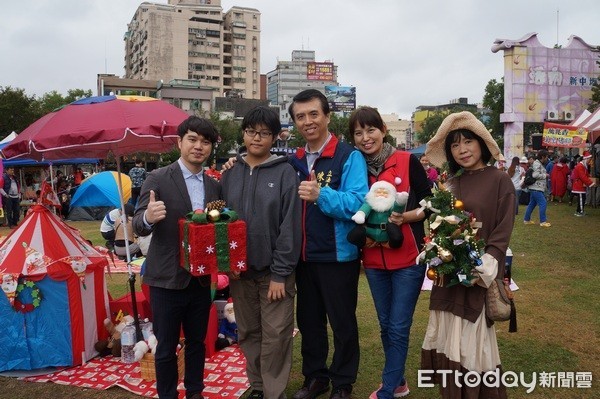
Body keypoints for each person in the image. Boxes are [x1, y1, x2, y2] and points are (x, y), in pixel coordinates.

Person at [422, 111, 515, 398]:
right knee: (448, 338)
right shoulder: (451, 182)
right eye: (454, 145)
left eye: (468, 142)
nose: (462, 150)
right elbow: (439, 224)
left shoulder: (500, 180)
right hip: (448, 277)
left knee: (472, 343)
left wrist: (485, 266)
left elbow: (502, 230)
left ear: (481, 143)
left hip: (477, 277)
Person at [132, 116, 221, 399]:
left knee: (197, 342)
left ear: (210, 148)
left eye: (205, 142)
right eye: (192, 139)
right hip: (166, 278)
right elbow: (136, 223)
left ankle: (195, 392)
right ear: (179, 142)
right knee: (166, 346)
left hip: (200, 279)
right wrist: (147, 217)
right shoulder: (157, 178)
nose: (198, 146)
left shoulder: (214, 185)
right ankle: (167, 394)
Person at [288, 89, 368, 399]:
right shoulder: (293, 160)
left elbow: (359, 203)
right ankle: (315, 378)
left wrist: (322, 195)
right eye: (300, 116)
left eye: (313, 114)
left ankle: (343, 382)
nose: (307, 121)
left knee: (343, 323)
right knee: (309, 323)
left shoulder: (349, 156)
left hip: (338, 256)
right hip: (304, 257)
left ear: (327, 116)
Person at [348, 106, 431, 399]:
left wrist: (406, 218)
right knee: (385, 325)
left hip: (408, 258)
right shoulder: (355, 166)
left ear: (383, 129)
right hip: (373, 260)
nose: (365, 137)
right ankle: (398, 382)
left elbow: (431, 204)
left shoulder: (407, 161)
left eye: (370, 130)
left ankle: (387, 390)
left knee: (397, 326)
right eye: (358, 133)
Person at [220, 106, 302, 399]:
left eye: (264, 133)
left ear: (274, 136)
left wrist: (281, 273)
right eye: (251, 131)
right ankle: (257, 386)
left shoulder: (284, 173)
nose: (257, 138)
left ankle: (273, 391)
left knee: (277, 335)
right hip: (240, 272)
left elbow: (290, 227)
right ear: (243, 133)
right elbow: (221, 223)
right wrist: (226, 262)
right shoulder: (229, 173)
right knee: (249, 333)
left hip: (274, 274)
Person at [524, 149, 551, 227]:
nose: (547, 159)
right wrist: (545, 175)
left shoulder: (538, 163)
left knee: (532, 204)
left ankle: (526, 220)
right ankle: (543, 221)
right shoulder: (537, 164)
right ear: (543, 157)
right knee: (543, 203)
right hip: (536, 188)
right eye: (546, 157)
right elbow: (535, 175)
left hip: (535, 188)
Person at [571, 150, 596, 216]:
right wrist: (591, 183)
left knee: (581, 199)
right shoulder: (581, 166)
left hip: (580, 185)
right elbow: (583, 177)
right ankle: (580, 212)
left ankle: (578, 211)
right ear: (586, 159)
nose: (589, 161)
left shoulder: (582, 166)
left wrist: (590, 179)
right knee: (582, 199)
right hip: (579, 185)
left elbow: (586, 175)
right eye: (589, 160)